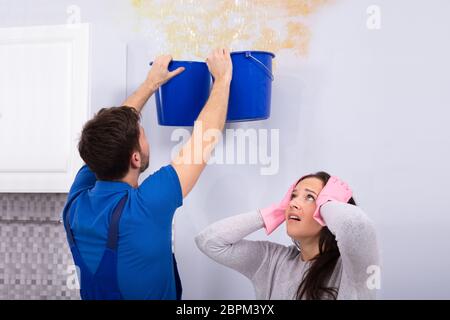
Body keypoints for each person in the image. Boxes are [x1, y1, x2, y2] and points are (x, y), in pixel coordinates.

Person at [62, 48, 233, 299]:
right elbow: (206, 136)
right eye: (143, 135)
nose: (146, 137)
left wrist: (152, 83)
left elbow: (110, 133)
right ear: (135, 158)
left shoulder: (75, 203)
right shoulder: (145, 206)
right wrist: (222, 78)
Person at [195, 173, 380, 299]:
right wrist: (275, 212)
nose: (294, 204)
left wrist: (326, 203)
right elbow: (209, 241)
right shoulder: (272, 260)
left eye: (310, 197)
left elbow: (357, 227)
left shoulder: (353, 267)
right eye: (293, 196)